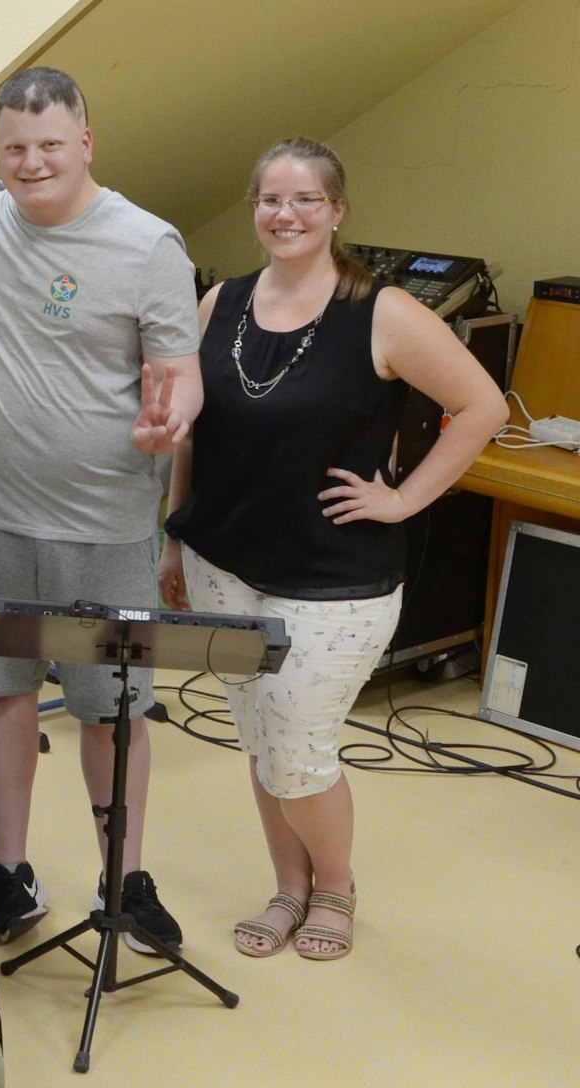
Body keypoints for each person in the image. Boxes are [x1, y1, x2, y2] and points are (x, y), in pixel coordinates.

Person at [159, 137, 505, 961]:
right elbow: (191, 429)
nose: (285, 214)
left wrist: (405, 498)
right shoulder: (222, 301)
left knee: (300, 746)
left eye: (305, 200)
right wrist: (176, 532)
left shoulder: (380, 312)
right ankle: (288, 886)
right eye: (270, 200)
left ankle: (337, 884)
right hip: (222, 559)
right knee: (257, 737)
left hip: (334, 578)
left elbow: (484, 405)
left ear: (337, 211)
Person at [0, 67, 203, 952]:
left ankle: (125, 878)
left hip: (105, 523)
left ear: (86, 141)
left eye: (50, 145)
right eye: (14, 148)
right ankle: (8, 873)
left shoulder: (149, 244)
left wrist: (174, 419)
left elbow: (180, 369)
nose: (31, 163)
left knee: (110, 708)